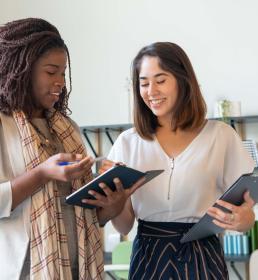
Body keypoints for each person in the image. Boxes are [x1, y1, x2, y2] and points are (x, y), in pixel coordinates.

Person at [86, 42, 256, 279]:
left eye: (161, 80)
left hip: (202, 256)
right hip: (148, 257)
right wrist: (116, 202)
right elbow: (124, 226)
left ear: (183, 80)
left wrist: (246, 220)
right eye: (144, 83)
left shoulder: (221, 136)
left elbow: (245, 209)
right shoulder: (128, 142)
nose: (151, 91)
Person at [0, 18, 138, 280]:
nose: (60, 81)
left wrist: (113, 204)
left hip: (79, 268)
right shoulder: (3, 126)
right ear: (22, 69)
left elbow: (87, 216)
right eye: (51, 72)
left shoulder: (67, 128)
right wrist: (43, 174)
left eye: (63, 73)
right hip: (26, 271)